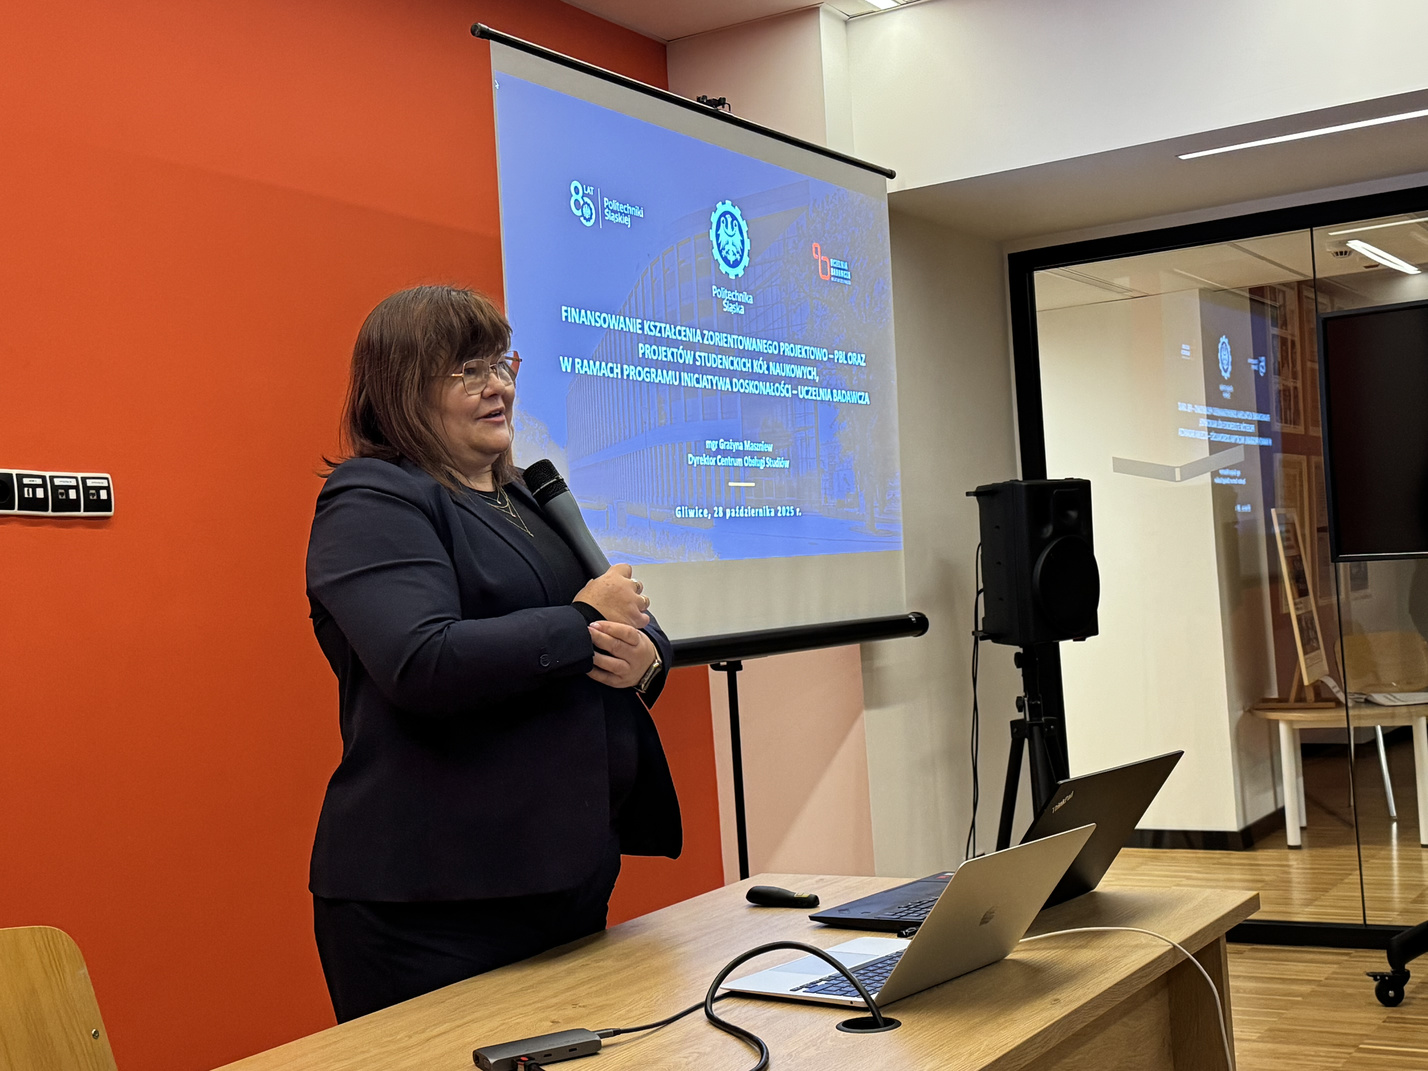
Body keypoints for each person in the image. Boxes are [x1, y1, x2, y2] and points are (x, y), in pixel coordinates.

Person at [304, 284, 680, 1022]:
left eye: (501, 363)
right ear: (403, 385)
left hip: (561, 876)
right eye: (467, 370)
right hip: (433, 905)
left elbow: (624, 613)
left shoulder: (528, 498)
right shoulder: (372, 498)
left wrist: (648, 657)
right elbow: (423, 660)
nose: (498, 386)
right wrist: (581, 622)